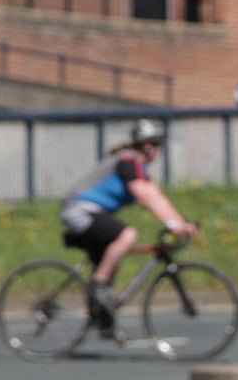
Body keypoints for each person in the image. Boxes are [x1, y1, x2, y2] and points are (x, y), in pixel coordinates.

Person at [60, 119, 198, 337]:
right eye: (158, 145)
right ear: (148, 146)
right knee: (127, 235)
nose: (160, 151)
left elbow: (157, 197)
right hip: (79, 209)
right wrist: (172, 225)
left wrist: (181, 223)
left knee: (112, 259)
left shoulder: (138, 167)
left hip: (95, 212)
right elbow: (144, 196)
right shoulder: (128, 162)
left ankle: (103, 319)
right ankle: (97, 285)